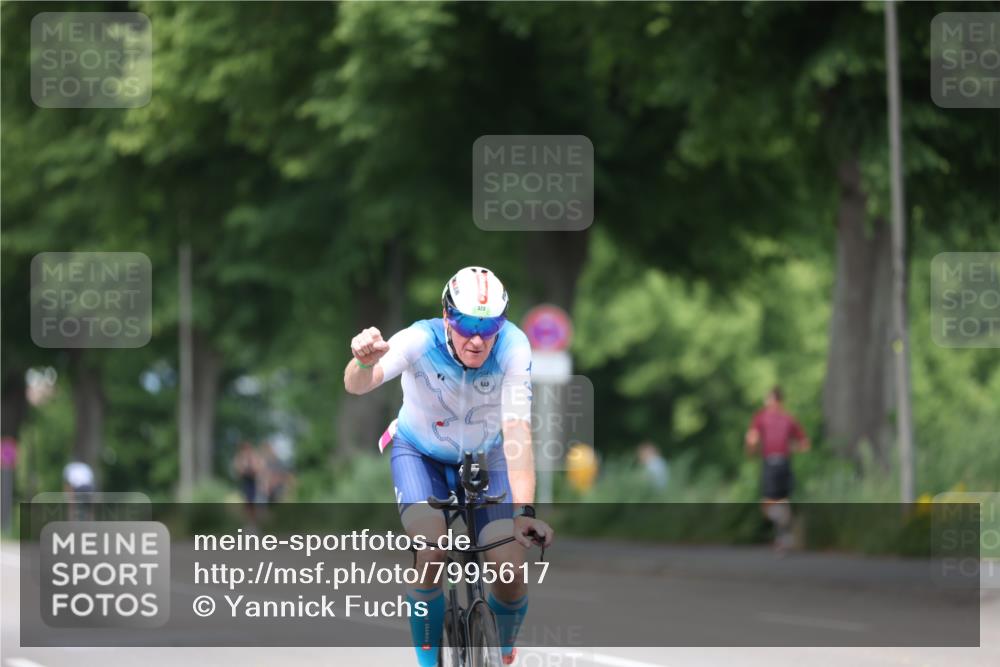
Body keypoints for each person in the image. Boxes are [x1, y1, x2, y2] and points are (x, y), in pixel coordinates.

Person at [344, 266, 554, 667]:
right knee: (432, 549)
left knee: (509, 568)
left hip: (486, 457)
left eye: (488, 326)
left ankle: (503, 648)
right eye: (465, 324)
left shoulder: (513, 347)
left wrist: (524, 512)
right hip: (419, 453)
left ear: (501, 324)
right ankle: (427, 663)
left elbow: (517, 433)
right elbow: (357, 385)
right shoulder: (419, 339)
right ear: (446, 317)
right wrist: (362, 361)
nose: (477, 338)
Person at [744, 386, 810, 551]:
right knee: (778, 503)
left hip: (777, 464)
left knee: (771, 502)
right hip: (777, 462)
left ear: (777, 401)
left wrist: (751, 448)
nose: (767, 402)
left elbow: (804, 444)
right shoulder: (779, 418)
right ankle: (785, 534)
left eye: (769, 399)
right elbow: (804, 445)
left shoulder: (775, 418)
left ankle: (784, 536)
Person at [232, 442, 261, 524]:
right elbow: (238, 471)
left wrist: (250, 468)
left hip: (252, 483)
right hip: (244, 482)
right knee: (246, 503)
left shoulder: (254, 457)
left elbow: (257, 469)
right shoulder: (240, 458)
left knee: (252, 502)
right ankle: (247, 522)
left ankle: (252, 522)